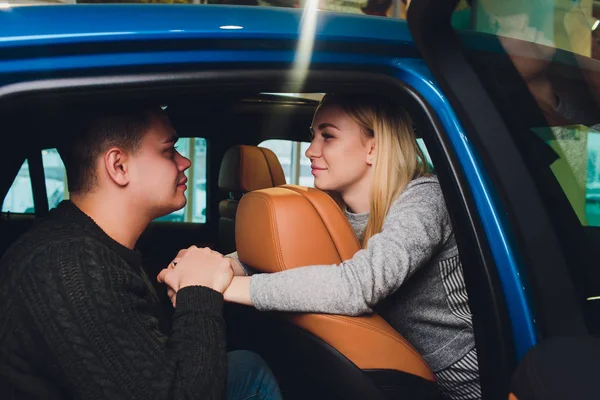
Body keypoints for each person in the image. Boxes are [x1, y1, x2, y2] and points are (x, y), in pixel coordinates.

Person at [164, 93, 481, 399]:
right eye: (312, 135)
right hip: (391, 371)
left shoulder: (425, 198)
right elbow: (267, 256)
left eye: (327, 136)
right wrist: (205, 268)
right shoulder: (331, 206)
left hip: (462, 380)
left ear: (373, 147)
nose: (310, 151)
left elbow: (360, 285)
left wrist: (213, 288)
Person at [0, 106, 282, 400]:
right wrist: (197, 291)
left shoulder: (91, 245)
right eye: (169, 150)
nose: (184, 162)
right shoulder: (72, 268)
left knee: (249, 368)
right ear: (119, 166)